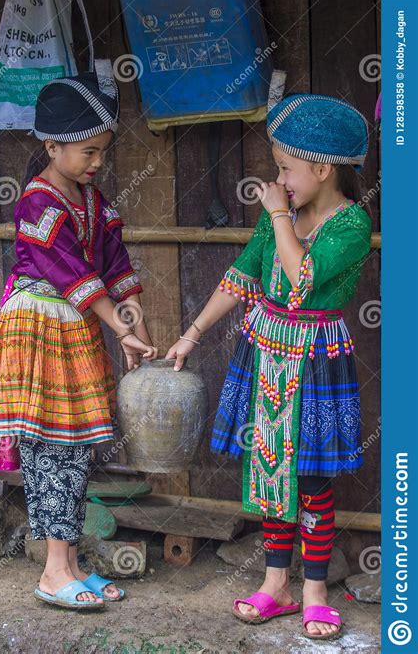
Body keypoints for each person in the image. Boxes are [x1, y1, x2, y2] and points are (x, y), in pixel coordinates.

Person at [166, 93, 372, 640]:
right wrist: (192, 333)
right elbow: (244, 275)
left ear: (322, 169)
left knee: (312, 482)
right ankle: (276, 584)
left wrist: (279, 213)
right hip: (265, 356)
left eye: (285, 167)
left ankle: (315, 591)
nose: (276, 178)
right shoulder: (280, 217)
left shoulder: (350, 226)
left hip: (316, 364)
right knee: (270, 473)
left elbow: (301, 280)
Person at [0, 68, 157, 610]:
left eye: (103, 151)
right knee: (53, 446)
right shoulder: (37, 203)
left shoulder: (95, 200)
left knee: (79, 448)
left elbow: (116, 269)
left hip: (78, 327)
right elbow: (72, 275)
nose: (98, 163)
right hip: (39, 329)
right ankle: (53, 572)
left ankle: (72, 564)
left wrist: (139, 335)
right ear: (52, 145)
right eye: (88, 152)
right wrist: (119, 325)